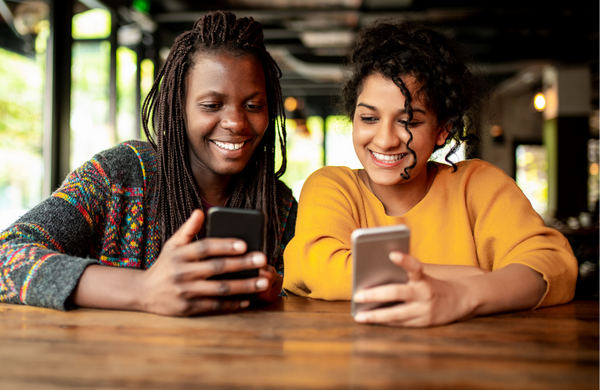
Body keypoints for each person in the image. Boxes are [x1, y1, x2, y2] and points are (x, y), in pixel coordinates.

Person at [282, 19, 577, 327]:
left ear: (442, 130)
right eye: (369, 118)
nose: (384, 139)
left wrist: (461, 295)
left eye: (408, 122)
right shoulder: (333, 186)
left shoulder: (478, 185)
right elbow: (316, 268)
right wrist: (468, 276)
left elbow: (553, 264)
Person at [0, 11, 297, 316]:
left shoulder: (280, 205)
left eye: (253, 105)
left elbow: (305, 292)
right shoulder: (117, 176)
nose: (235, 122)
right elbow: (5, 258)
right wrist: (141, 289)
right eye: (211, 105)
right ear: (178, 108)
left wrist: (278, 288)